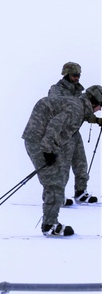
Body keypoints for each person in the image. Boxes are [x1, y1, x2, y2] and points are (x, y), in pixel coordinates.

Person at [21, 84, 102, 236]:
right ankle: (50, 225)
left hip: (40, 139)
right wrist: (47, 151)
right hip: (38, 141)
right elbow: (54, 126)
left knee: (56, 178)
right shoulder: (76, 109)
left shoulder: (78, 105)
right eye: (101, 106)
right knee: (54, 181)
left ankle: (50, 219)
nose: (100, 109)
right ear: (94, 102)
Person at [48, 62, 99, 204]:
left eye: (78, 75)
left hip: (74, 133)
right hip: (62, 133)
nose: (77, 78)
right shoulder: (56, 90)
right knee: (62, 166)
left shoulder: (78, 92)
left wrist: (96, 120)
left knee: (81, 162)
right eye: (74, 75)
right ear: (66, 74)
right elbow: (56, 108)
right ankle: (58, 196)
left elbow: (84, 111)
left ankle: (81, 192)